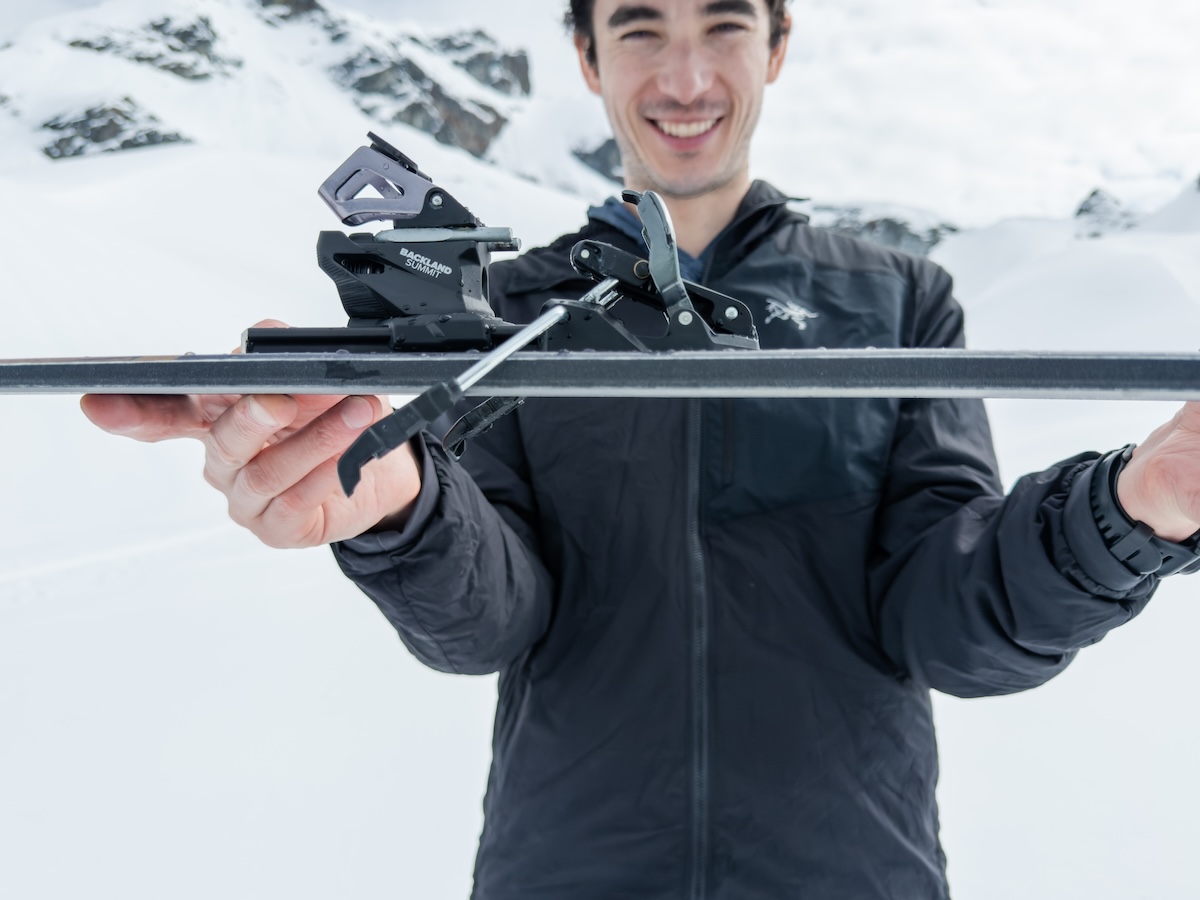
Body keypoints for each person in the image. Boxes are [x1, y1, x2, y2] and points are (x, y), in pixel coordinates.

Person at [82, 0, 1200, 896]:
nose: (684, 78)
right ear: (585, 55)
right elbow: (495, 615)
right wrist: (401, 505)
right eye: (638, 28)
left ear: (778, 41)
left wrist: (1126, 514)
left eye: (722, 25)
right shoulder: (513, 306)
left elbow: (947, 621)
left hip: (853, 872)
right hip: (562, 868)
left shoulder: (900, 298)